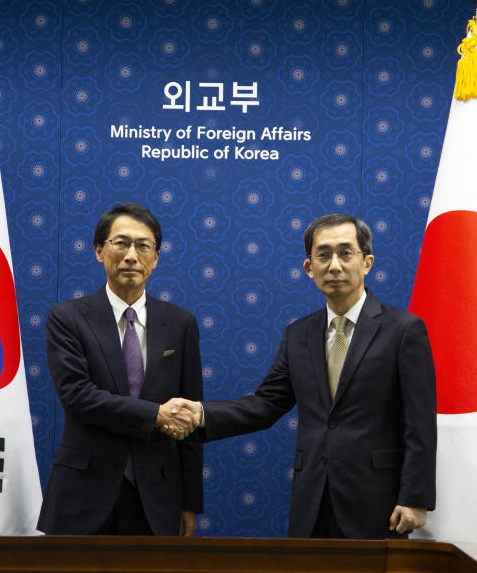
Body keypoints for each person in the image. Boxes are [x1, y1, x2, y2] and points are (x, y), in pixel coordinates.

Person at [172, 213, 436, 538]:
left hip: (377, 503)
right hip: (312, 500)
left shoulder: (404, 330)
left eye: (345, 253)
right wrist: (201, 413)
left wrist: (415, 499)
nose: (334, 265)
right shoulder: (299, 334)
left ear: (367, 262)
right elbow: (267, 404)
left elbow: (419, 424)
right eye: (323, 255)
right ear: (309, 268)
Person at [37, 203, 202, 536]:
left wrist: (189, 502)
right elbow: (77, 396)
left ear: (156, 257)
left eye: (143, 246)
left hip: (157, 497)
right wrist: (156, 414)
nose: (131, 255)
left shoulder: (180, 324)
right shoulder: (68, 318)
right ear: (99, 251)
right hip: (83, 492)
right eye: (121, 243)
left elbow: (188, 416)